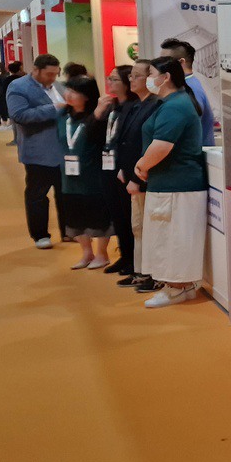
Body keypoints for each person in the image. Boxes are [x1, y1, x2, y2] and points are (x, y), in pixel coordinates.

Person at [134, 57, 208, 308]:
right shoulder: (171, 103)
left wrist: (142, 165)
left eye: (151, 73)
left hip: (177, 184)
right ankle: (180, 286)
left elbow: (162, 146)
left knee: (173, 239)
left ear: (165, 77)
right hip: (168, 182)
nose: (148, 79)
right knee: (168, 237)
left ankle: (176, 288)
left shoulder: (175, 106)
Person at [6, 54, 67, 249]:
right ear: (36, 70)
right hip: (38, 152)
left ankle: (68, 231)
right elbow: (19, 115)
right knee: (37, 195)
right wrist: (54, 109)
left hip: (64, 151)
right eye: (49, 74)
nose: (53, 78)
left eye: (56, 74)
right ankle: (40, 235)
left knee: (65, 193)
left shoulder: (59, 86)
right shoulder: (18, 87)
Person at [57, 75, 115, 269]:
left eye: (74, 91)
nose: (68, 94)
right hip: (69, 176)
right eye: (68, 89)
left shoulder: (100, 117)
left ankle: (102, 254)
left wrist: (96, 116)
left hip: (93, 174)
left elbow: (98, 138)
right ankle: (86, 253)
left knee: (99, 216)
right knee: (75, 215)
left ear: (87, 96)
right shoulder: (63, 116)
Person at [115, 61, 162, 290]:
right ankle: (140, 270)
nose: (131, 80)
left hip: (144, 177)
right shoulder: (136, 105)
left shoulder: (155, 105)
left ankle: (152, 273)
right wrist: (123, 168)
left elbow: (148, 145)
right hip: (132, 173)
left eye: (136, 76)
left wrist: (136, 177)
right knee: (137, 226)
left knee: (147, 226)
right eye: (130, 76)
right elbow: (127, 141)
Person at [96, 65, 135, 275]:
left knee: (129, 216)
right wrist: (97, 113)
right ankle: (124, 255)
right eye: (109, 78)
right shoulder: (111, 106)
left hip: (124, 168)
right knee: (117, 215)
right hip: (107, 166)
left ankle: (133, 259)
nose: (109, 82)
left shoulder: (135, 106)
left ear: (126, 83)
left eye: (114, 79)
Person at [159, 38, 216, 146]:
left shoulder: (190, 89)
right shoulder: (184, 85)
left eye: (165, 61)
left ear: (181, 62)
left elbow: (187, 128)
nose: (160, 66)